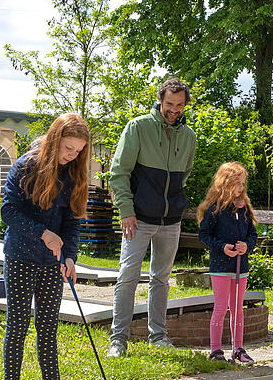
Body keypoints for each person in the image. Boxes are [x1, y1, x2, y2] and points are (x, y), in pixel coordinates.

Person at [0, 112, 90, 380]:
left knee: (48, 326)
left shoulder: (73, 174)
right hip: (20, 257)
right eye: (68, 149)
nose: (72, 156)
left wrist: (70, 256)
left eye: (78, 152)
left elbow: (72, 221)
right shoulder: (26, 166)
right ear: (55, 140)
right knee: (18, 324)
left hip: (53, 262)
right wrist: (43, 233)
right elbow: (8, 211)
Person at [107, 77, 197, 356]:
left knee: (161, 279)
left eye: (179, 105)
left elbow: (185, 174)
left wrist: (175, 206)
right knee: (127, 276)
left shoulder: (189, 136)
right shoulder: (138, 127)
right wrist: (126, 212)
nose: (174, 109)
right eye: (169, 103)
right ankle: (117, 340)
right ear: (160, 100)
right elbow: (118, 174)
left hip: (171, 222)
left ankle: (158, 336)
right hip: (138, 220)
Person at [197, 162, 258, 364]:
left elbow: (252, 235)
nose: (241, 188)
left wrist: (246, 246)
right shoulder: (215, 209)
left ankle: (238, 348)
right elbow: (204, 234)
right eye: (237, 184)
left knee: (237, 307)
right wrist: (222, 246)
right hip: (221, 266)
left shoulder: (244, 208)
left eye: (242, 184)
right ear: (224, 184)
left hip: (241, 267)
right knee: (221, 307)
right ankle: (216, 350)